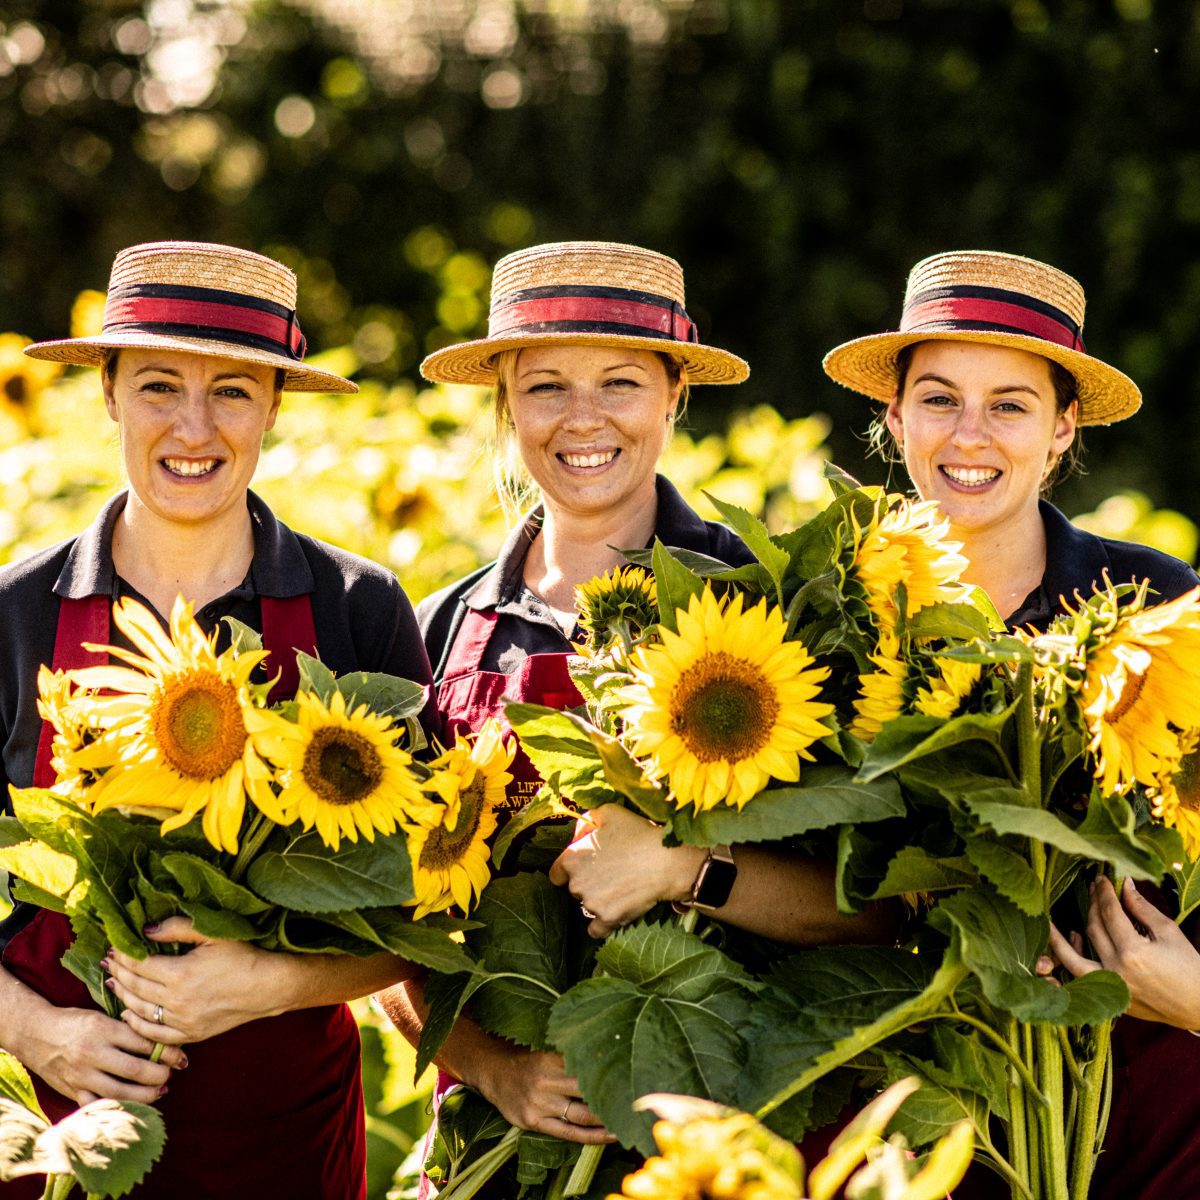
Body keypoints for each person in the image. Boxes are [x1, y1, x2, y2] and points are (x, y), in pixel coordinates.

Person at [377, 241, 889, 1170]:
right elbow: (376, 931)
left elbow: (877, 915)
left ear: (673, 396)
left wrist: (689, 868)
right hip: (494, 1153)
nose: (582, 419)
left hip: (733, 1147)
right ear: (504, 403)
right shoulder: (444, 628)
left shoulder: (771, 611)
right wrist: (493, 1069)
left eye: (619, 382)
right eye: (543, 387)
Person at [0, 241, 433, 1199]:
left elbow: (425, 910)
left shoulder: (355, 610)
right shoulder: (15, 614)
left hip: (283, 1142)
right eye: (159, 385)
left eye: (233, 390)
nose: (193, 426)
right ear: (107, 392)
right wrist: (42, 1035)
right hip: (54, 1136)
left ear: (276, 406)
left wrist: (270, 981)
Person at [823, 247, 1200, 1200]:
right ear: (894, 415)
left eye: (1012, 404)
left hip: (1150, 1103)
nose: (971, 435)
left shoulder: (1157, 605)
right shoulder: (833, 615)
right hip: (912, 1110)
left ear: (1063, 428)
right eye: (940, 398)